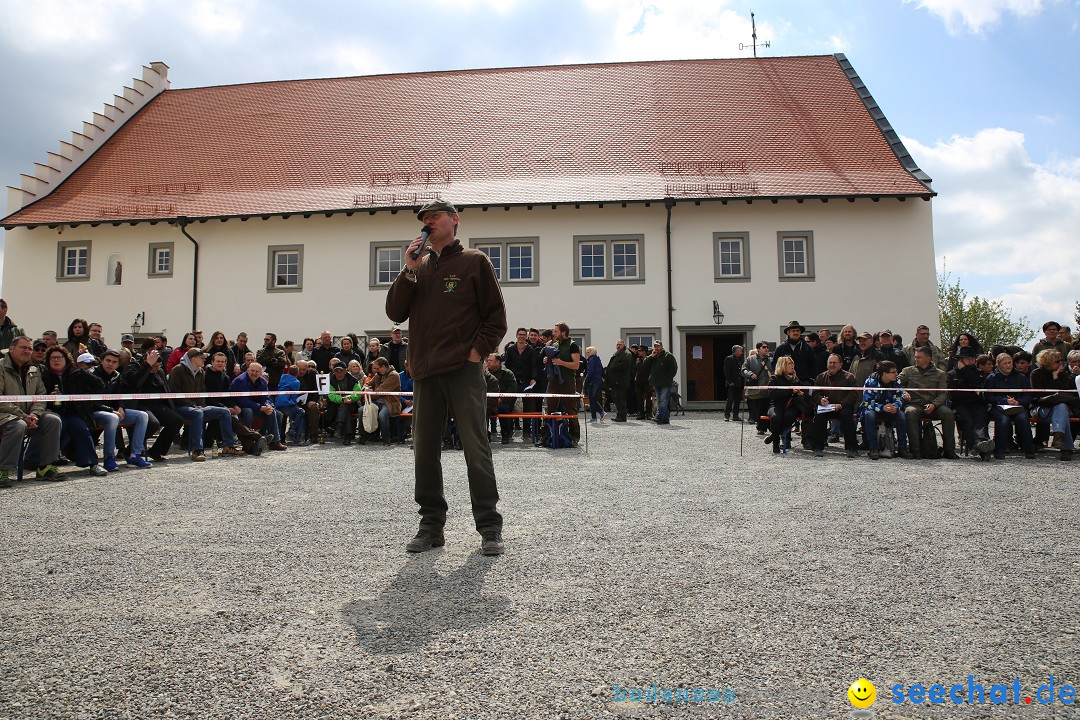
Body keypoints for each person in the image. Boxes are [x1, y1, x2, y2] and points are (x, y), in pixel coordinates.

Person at [386, 199, 507, 556]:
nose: (427, 222)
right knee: (424, 450)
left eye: (434, 216)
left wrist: (475, 353)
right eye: (424, 218)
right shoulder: (418, 268)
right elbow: (395, 311)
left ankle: (488, 526)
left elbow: (496, 317)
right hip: (425, 373)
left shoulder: (474, 261)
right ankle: (431, 526)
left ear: (454, 220)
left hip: (462, 371)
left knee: (475, 448)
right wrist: (407, 269)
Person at [0, 336, 64, 484]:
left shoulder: (35, 370)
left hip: (28, 415)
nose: (28, 351)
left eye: (30, 348)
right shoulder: (1, 367)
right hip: (5, 414)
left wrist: (35, 414)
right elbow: (1, 399)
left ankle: (45, 467)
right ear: (11, 348)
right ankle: (2, 470)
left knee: (53, 420)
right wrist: (23, 416)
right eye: (23, 347)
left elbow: (41, 396)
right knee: (18, 425)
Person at [40, 346, 108, 476]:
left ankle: (93, 464)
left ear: (66, 359)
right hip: (54, 411)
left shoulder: (77, 372)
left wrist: (83, 398)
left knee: (81, 427)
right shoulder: (45, 376)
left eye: (59, 357)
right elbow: (39, 395)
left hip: (74, 411)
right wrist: (50, 396)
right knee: (60, 425)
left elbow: (99, 385)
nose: (56, 360)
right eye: (52, 358)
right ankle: (48, 463)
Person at [168, 348, 244, 461]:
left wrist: (201, 404)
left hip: (196, 407)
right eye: (201, 357)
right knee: (197, 413)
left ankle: (228, 446)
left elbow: (202, 392)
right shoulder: (177, 370)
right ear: (193, 359)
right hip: (179, 407)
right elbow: (175, 394)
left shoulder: (200, 372)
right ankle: (197, 450)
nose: (204, 359)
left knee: (224, 412)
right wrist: (193, 406)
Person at [92, 350, 154, 468]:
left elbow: (121, 394)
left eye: (114, 362)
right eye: (108, 361)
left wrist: (121, 406)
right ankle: (109, 458)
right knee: (112, 418)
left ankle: (134, 455)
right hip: (94, 412)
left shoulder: (117, 375)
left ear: (118, 364)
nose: (110, 364)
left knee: (142, 416)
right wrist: (111, 410)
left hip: (113, 411)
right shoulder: (91, 374)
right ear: (102, 361)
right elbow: (90, 402)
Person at [899, 346, 958, 459]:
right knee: (909, 412)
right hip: (915, 404)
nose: (916, 359)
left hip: (934, 405)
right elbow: (896, 384)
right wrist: (903, 392)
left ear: (928, 358)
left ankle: (949, 449)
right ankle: (915, 450)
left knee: (948, 413)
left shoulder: (940, 374)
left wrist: (934, 404)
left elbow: (943, 393)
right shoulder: (908, 371)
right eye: (915, 357)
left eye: (919, 357)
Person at [984, 353, 1037, 461]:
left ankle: (1029, 449)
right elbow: (988, 397)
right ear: (998, 365)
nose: (1008, 365)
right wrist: (1004, 401)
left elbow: (1028, 395)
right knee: (1003, 419)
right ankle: (1000, 450)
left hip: (1017, 406)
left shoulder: (1021, 377)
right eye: (1005, 363)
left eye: (1010, 363)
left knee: (1022, 418)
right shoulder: (991, 378)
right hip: (997, 406)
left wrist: (1018, 401)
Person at [947, 347, 994, 460]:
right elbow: (953, 395)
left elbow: (977, 382)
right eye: (968, 358)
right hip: (960, 405)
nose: (971, 361)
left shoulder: (979, 373)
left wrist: (966, 370)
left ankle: (981, 443)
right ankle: (977, 444)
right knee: (967, 420)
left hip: (977, 403)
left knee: (981, 418)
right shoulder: (951, 374)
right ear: (960, 359)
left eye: (973, 358)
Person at [810, 353, 859, 458]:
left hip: (843, 407)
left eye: (834, 363)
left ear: (840, 364)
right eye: (830, 362)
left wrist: (841, 404)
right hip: (826, 407)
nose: (832, 365)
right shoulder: (820, 377)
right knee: (818, 418)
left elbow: (854, 394)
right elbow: (814, 393)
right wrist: (820, 400)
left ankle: (852, 448)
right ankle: (818, 447)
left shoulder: (849, 377)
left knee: (847, 417)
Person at [1029, 349, 1075, 461]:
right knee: (1062, 412)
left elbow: (1064, 392)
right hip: (1042, 407)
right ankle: (1066, 448)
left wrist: (1055, 377)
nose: (1061, 364)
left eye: (1061, 361)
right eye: (1058, 361)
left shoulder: (1063, 374)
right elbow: (1038, 396)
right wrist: (1054, 395)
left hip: (1058, 407)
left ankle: (1059, 435)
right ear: (1049, 362)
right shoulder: (1036, 374)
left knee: (1062, 407)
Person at [860, 360, 910, 460]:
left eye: (897, 371)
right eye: (894, 372)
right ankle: (873, 448)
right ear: (885, 373)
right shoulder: (870, 382)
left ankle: (902, 448)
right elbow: (867, 402)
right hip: (874, 409)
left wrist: (895, 406)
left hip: (890, 409)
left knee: (901, 415)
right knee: (869, 415)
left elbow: (900, 397)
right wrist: (883, 407)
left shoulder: (896, 382)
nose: (897, 374)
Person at [229, 362, 287, 451]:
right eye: (252, 370)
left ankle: (274, 441)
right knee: (248, 411)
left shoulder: (263, 381)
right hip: (240, 407)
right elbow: (242, 400)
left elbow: (266, 397)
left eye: (257, 371)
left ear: (261, 373)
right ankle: (249, 442)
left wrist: (268, 405)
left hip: (256, 406)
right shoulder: (240, 381)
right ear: (248, 370)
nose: (254, 373)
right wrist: (260, 407)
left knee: (274, 412)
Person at [543, 322, 583, 443]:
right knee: (550, 409)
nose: (553, 333)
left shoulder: (573, 345)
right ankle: (546, 436)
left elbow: (576, 365)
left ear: (563, 332)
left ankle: (574, 437)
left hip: (568, 381)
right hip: (554, 381)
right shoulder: (554, 344)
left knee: (571, 409)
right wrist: (547, 360)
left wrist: (561, 363)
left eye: (556, 331)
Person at [765, 356, 808, 454]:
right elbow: (772, 393)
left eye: (792, 363)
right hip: (777, 404)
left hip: (793, 405)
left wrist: (800, 392)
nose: (792, 365)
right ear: (782, 365)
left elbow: (803, 390)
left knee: (789, 416)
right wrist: (790, 390)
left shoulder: (795, 378)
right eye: (789, 363)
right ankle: (775, 445)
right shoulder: (774, 378)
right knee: (776, 417)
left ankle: (773, 436)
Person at [365, 357, 402, 445]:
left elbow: (380, 391)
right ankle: (365, 436)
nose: (376, 371)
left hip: (390, 403)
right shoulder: (378, 375)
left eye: (377, 368)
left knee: (382, 415)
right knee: (362, 410)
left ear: (383, 367)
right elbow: (368, 384)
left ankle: (386, 439)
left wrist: (371, 393)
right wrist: (366, 388)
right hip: (378, 401)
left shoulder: (394, 375)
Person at [743, 342, 772, 434]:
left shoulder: (771, 359)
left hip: (769, 388)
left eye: (767, 347)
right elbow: (744, 369)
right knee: (758, 409)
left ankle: (770, 427)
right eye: (764, 347)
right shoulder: (750, 359)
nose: (766, 349)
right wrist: (750, 374)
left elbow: (776, 370)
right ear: (758, 349)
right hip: (757, 389)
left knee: (769, 408)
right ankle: (760, 428)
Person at [648, 340, 678, 425]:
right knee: (660, 400)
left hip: (666, 383)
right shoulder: (653, 356)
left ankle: (659, 416)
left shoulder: (668, 356)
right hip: (656, 383)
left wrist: (668, 377)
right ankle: (665, 418)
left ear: (661, 346)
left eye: (658, 346)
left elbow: (674, 368)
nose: (656, 348)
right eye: (655, 346)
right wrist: (651, 356)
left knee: (663, 400)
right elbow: (645, 364)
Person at [605, 339, 632, 423]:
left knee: (621, 399)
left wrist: (613, 367)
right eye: (617, 345)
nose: (618, 346)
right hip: (614, 381)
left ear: (623, 345)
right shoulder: (617, 354)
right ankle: (619, 415)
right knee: (616, 399)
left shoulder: (626, 354)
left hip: (620, 381)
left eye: (620, 344)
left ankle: (622, 416)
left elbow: (624, 366)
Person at [584, 346, 606, 423]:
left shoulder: (591, 360)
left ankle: (595, 417)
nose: (587, 353)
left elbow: (590, 372)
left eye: (588, 352)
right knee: (593, 399)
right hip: (598, 381)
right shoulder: (598, 360)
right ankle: (601, 412)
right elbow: (602, 371)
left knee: (592, 399)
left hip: (592, 381)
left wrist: (586, 382)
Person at [723, 345, 745, 421]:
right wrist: (730, 381)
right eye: (740, 351)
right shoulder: (729, 359)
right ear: (736, 351)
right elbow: (727, 371)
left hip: (739, 383)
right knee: (730, 399)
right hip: (732, 383)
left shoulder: (740, 359)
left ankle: (735, 415)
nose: (741, 352)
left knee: (737, 400)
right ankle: (727, 415)